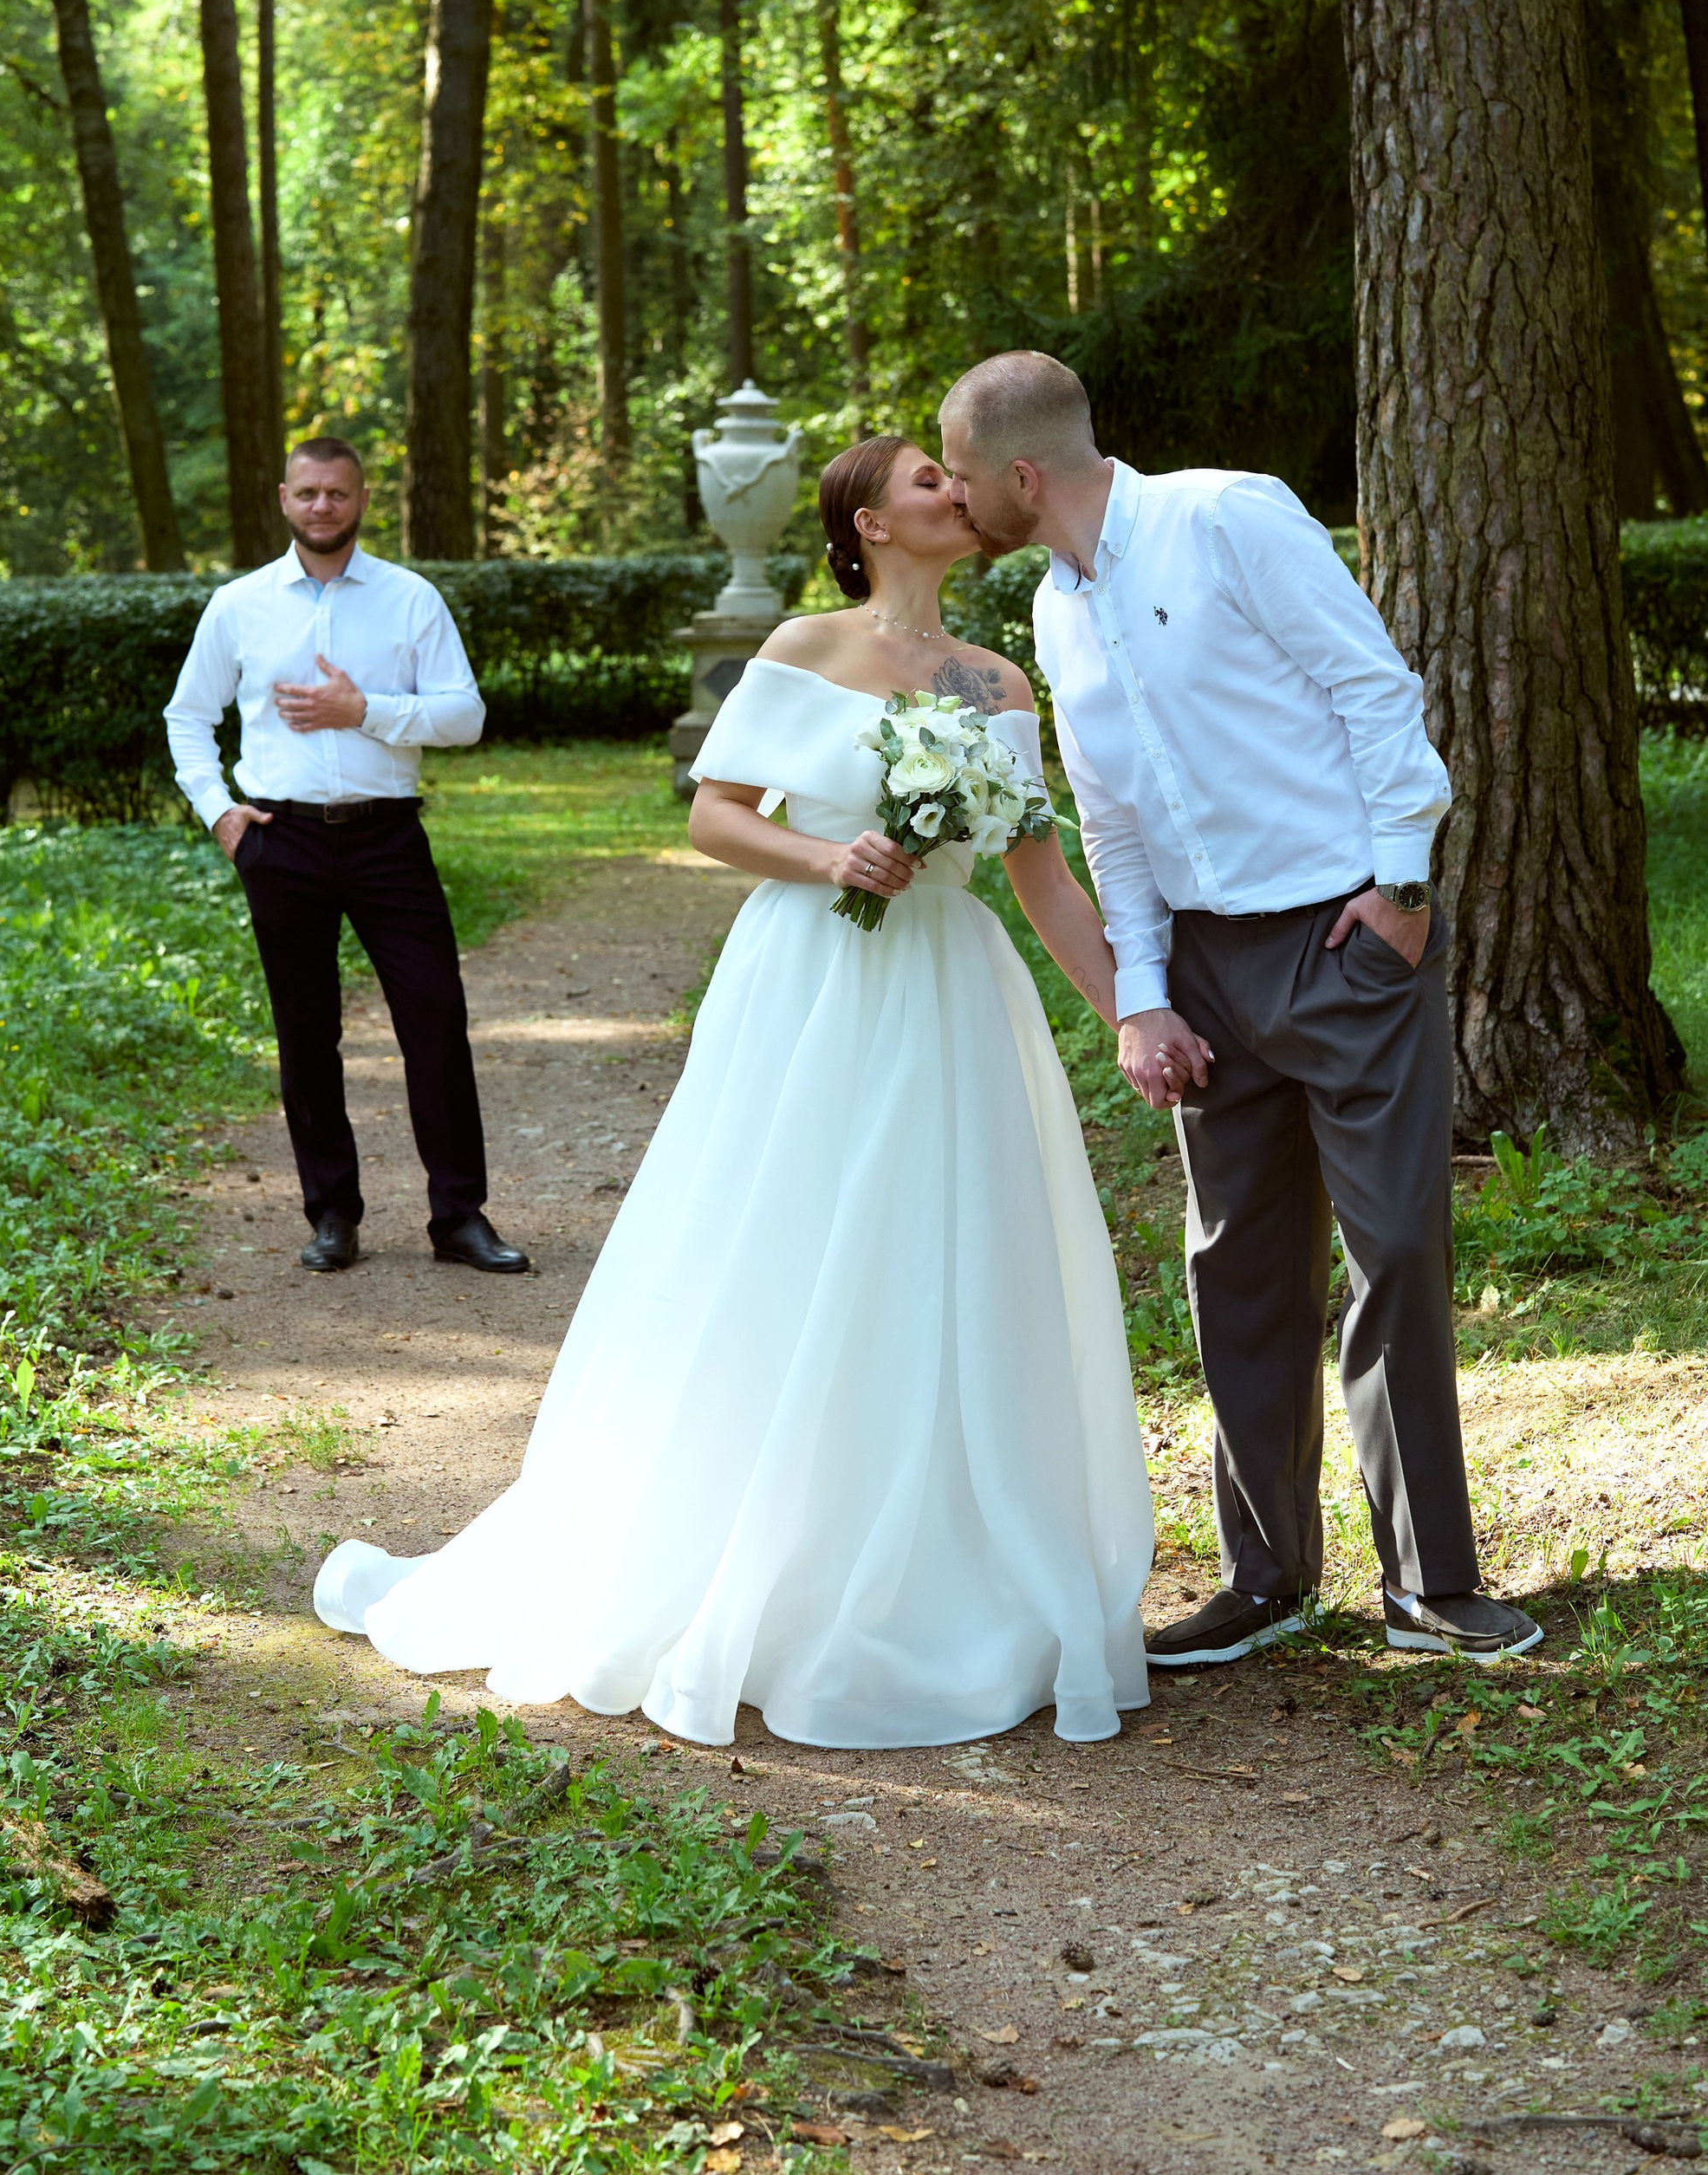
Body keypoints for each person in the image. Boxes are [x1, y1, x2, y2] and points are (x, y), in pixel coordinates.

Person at [312, 434, 1153, 1750]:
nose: (953, 487)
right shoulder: (807, 648)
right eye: (925, 478)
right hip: (810, 976)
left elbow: (1041, 876)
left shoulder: (997, 681)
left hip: (948, 987)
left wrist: (1134, 1021)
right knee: (781, 1240)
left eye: (953, 473)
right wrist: (828, 855)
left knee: (938, 1258)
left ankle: (941, 1565)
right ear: (869, 523)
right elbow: (714, 816)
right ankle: (747, 1548)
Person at [938, 350, 1540, 1670]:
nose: (957, 501)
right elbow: (1113, 819)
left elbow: (1374, 688)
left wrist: (1400, 886)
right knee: (1237, 1275)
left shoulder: (1226, 516)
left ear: (1021, 475)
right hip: (1205, 978)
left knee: (1395, 1254)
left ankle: (1433, 1584)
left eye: (966, 479)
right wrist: (1143, 999)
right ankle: (1267, 1577)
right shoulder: (1054, 608)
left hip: (1344, 942)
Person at [163, 434, 529, 1278]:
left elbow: (464, 716)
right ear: (282, 498)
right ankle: (332, 1214)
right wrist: (219, 812)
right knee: (306, 1033)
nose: (323, 506)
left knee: (434, 1018)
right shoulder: (239, 605)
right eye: (308, 493)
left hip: (387, 837)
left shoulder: (409, 601)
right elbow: (187, 715)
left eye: (338, 493)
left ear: (362, 500)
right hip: (280, 839)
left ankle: (459, 1217)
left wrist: (363, 709)